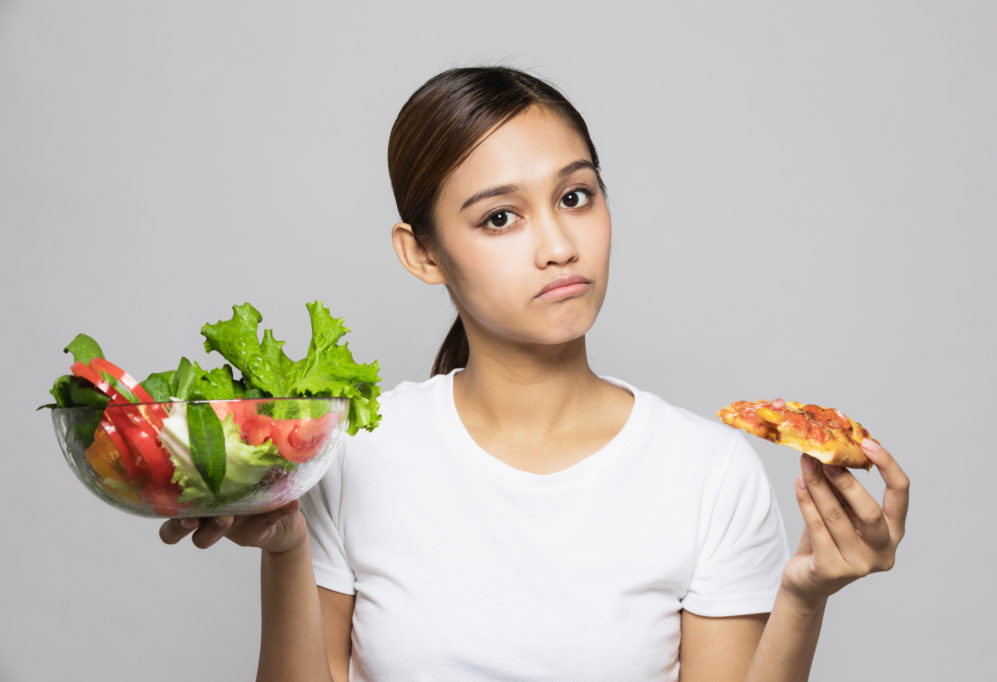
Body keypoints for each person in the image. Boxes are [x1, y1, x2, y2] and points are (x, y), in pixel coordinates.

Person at [159, 66, 909, 681]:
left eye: (575, 197)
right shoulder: (351, 450)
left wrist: (804, 597)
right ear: (421, 254)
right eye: (499, 218)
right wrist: (288, 545)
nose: (558, 245)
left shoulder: (709, 472)